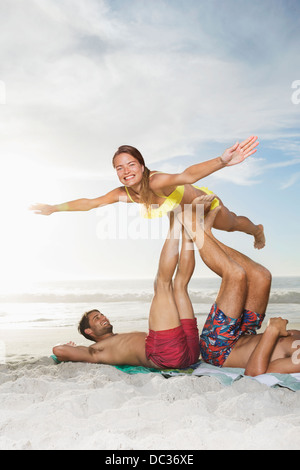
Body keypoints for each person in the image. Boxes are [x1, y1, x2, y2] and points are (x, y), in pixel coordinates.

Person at [30, 136, 265, 249]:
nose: (126, 171)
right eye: (119, 168)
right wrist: (54, 208)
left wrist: (221, 161)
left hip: (205, 205)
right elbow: (91, 203)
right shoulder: (125, 193)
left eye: (131, 164)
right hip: (186, 218)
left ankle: (257, 230)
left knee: (232, 224)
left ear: (142, 167)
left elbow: (188, 175)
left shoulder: (156, 182)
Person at [52, 210, 201, 369]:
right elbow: (58, 350)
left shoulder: (116, 338)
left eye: (101, 314)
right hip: (167, 356)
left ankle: (188, 229)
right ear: (89, 331)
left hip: (189, 352)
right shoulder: (96, 350)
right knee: (162, 284)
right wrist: (68, 345)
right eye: (96, 318)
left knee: (180, 286)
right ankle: (175, 222)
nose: (103, 317)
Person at [181, 199, 300, 376]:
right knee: (262, 276)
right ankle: (207, 234)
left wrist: (272, 331)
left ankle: (192, 227)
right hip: (245, 333)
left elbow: (255, 374)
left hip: (219, 350)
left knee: (236, 275)